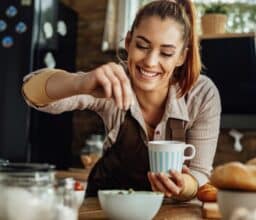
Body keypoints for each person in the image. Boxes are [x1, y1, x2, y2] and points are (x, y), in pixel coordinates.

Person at [22, 0, 221, 201]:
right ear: (128, 42)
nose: (151, 62)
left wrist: (182, 186)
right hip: (107, 207)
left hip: (170, 211)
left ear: (181, 56)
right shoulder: (112, 83)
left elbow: (199, 174)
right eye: (142, 46)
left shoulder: (202, 94)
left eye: (166, 53)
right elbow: (31, 91)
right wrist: (81, 82)